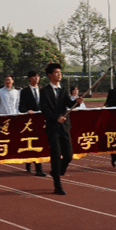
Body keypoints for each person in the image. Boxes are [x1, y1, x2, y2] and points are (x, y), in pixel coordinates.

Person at [39, 63, 75, 195]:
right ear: (50, 75)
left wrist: (77, 101)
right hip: (53, 127)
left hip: (64, 127)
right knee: (55, 155)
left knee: (68, 155)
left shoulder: (63, 89)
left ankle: (56, 172)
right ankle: (57, 186)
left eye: (60, 72)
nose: (59, 75)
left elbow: (69, 104)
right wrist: (56, 118)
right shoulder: (44, 91)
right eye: (56, 72)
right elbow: (44, 109)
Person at [18, 70, 47, 177]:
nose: (36, 78)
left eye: (38, 76)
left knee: (40, 143)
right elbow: (20, 107)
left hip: (41, 121)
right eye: (34, 76)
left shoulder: (43, 90)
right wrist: (27, 111)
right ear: (30, 78)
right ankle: (33, 164)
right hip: (30, 122)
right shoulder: (24, 91)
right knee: (32, 143)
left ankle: (37, 166)